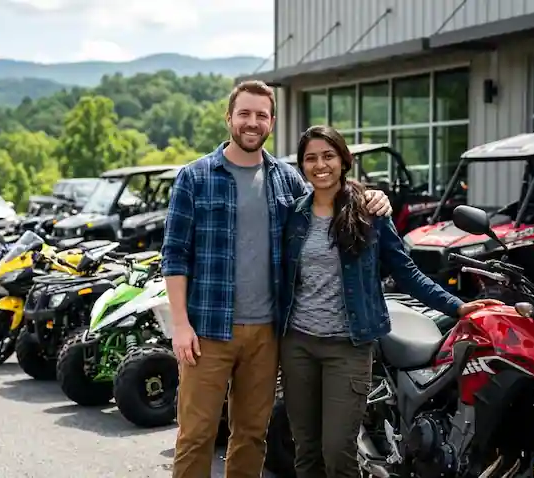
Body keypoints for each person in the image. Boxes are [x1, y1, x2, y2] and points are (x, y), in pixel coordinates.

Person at [161, 80, 392, 478]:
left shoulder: (287, 180)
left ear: (271, 122)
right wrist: (180, 325)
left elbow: (330, 199)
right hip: (207, 332)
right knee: (196, 435)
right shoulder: (195, 177)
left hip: (268, 334)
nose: (252, 122)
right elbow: (174, 255)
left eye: (261, 115)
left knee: (252, 434)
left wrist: (375, 197)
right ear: (229, 117)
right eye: (245, 114)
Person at [279, 125, 502, 478]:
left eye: (328, 156)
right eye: (310, 158)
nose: (320, 165)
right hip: (298, 345)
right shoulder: (291, 214)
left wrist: (456, 306)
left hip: (349, 347)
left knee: (338, 452)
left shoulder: (370, 213)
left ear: (343, 160)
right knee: (306, 452)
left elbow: (407, 272)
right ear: (302, 166)